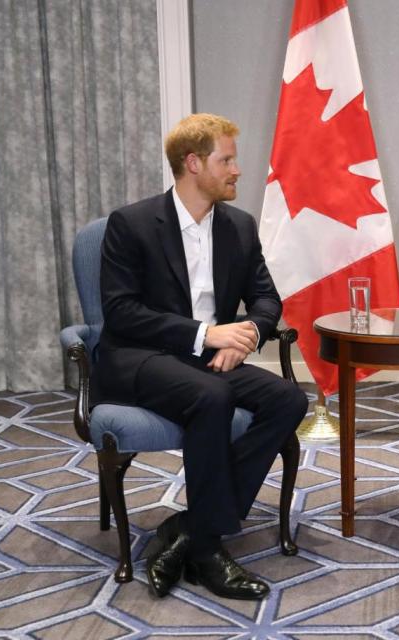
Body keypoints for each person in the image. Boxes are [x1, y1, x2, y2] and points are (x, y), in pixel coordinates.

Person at [95, 113, 308, 600]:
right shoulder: (130, 224)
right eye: (226, 160)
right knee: (210, 396)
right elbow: (122, 313)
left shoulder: (238, 225)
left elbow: (267, 300)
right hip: (140, 357)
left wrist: (247, 335)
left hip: (207, 359)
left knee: (288, 401)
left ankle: (188, 530)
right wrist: (208, 335)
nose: (237, 170)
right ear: (193, 163)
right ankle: (209, 552)